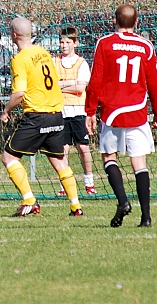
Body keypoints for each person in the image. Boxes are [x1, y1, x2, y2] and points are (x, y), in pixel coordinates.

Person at [85, 4, 157, 228]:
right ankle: (146, 217)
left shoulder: (105, 43)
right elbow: (154, 83)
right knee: (139, 162)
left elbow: (96, 80)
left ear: (114, 21)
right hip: (137, 111)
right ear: (136, 23)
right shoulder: (145, 46)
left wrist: (90, 111)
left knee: (109, 157)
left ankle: (122, 202)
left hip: (111, 112)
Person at [0, 17, 83, 217]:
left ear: (14, 35)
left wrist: (6, 111)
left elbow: (19, 94)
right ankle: (75, 206)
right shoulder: (43, 53)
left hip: (37, 116)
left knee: (8, 157)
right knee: (59, 160)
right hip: (56, 116)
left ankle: (29, 201)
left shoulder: (19, 59)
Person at [53, 26, 97, 196]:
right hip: (60, 111)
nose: (64, 45)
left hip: (78, 112)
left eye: (67, 42)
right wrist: (68, 84)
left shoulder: (81, 63)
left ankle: (89, 182)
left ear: (75, 43)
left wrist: (62, 84)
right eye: (61, 42)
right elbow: (51, 85)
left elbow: (80, 87)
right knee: (62, 150)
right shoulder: (54, 61)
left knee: (83, 148)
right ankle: (64, 184)